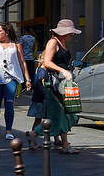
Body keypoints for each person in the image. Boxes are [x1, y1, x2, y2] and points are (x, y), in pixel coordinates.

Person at [29, 19, 81, 154]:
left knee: (62, 113)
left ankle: (59, 142)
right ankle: (59, 143)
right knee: (58, 113)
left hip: (62, 83)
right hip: (53, 83)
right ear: (65, 32)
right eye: (71, 33)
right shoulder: (53, 42)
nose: (72, 35)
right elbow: (46, 62)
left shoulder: (62, 43)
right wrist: (62, 71)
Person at [0, 23, 28, 140]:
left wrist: (27, 78)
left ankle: (9, 130)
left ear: (6, 32)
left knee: (9, 104)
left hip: (11, 78)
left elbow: (22, 62)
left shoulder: (16, 46)